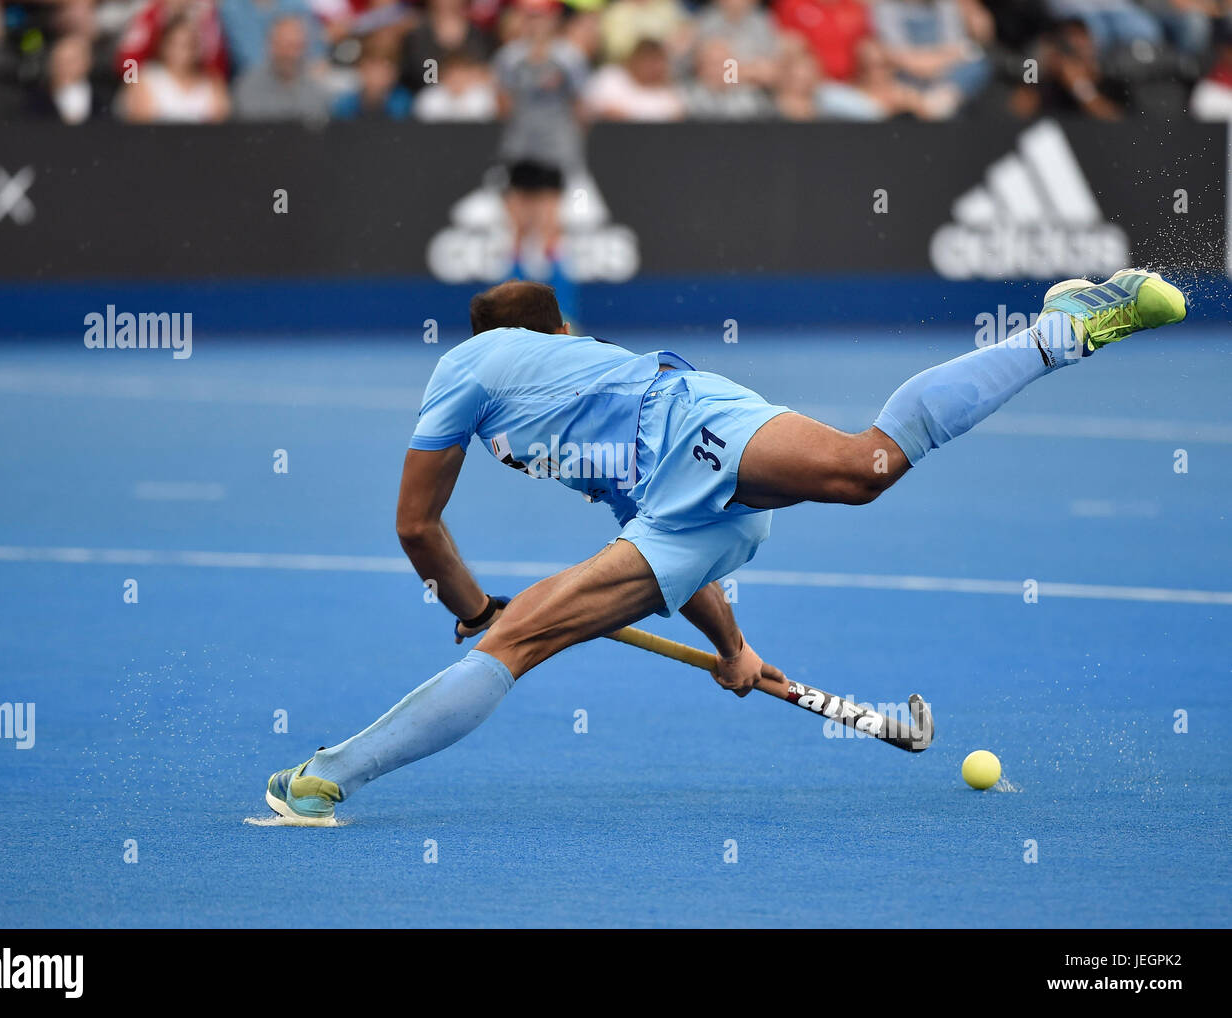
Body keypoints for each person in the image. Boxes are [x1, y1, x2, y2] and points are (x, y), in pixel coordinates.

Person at [264, 270, 1188, 823]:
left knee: (866, 467)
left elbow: (416, 525)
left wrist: (469, 607)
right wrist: (731, 648)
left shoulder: (467, 363)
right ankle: (325, 781)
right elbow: (655, 534)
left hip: (698, 423)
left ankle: (1061, 326)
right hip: (688, 498)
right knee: (863, 472)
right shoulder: (570, 369)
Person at [494, 0, 588, 317]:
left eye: (542, 17)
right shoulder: (509, 58)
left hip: (554, 152)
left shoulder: (569, 58)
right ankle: (508, 316)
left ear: (553, 21)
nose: (536, 24)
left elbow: (580, 105)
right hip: (520, 151)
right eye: (530, 17)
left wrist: (567, 144)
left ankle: (562, 316)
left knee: (550, 230)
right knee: (518, 230)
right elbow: (503, 105)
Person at [120, 14, 230, 122]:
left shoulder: (213, 81)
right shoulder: (146, 79)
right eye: (175, 44)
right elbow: (141, 124)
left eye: (189, 44)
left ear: (198, 47)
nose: (182, 52)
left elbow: (219, 125)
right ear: (163, 45)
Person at [232, 13, 329, 120]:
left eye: (296, 46)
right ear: (271, 46)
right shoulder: (248, 86)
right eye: (284, 46)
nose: (290, 54)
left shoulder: (316, 87)